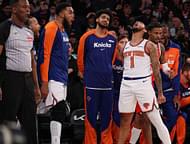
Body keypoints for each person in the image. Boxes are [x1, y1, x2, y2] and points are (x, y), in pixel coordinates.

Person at [118, 20, 171, 144]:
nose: (136, 24)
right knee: (125, 121)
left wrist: (160, 93)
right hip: (126, 84)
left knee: (156, 120)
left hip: (143, 84)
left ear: (145, 29)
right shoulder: (125, 45)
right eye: (135, 23)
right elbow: (122, 60)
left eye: (139, 23)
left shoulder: (149, 45)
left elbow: (157, 71)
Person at [0, 0, 40, 143]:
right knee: (8, 121)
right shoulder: (5, 27)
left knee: (30, 121)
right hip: (11, 79)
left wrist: (36, 87)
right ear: (14, 9)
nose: (28, 10)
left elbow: (32, 61)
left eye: (29, 7)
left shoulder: (29, 31)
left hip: (27, 80)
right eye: (24, 7)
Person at [77, 9, 117, 144]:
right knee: (91, 118)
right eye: (103, 17)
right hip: (91, 84)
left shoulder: (112, 39)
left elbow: (112, 60)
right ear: (97, 20)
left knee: (107, 117)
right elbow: (80, 58)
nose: (106, 20)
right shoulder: (87, 37)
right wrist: (84, 73)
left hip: (107, 84)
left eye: (108, 19)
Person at [37, 2, 74, 144]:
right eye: (70, 12)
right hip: (52, 77)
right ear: (61, 13)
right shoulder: (51, 27)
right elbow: (44, 55)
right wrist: (44, 82)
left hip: (61, 77)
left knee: (55, 110)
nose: (73, 16)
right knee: (58, 110)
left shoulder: (63, 30)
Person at [112, 35, 129, 144]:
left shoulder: (131, 59)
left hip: (127, 93)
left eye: (126, 42)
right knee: (116, 119)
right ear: (117, 44)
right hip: (114, 93)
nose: (124, 44)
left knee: (127, 120)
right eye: (122, 42)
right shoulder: (111, 59)